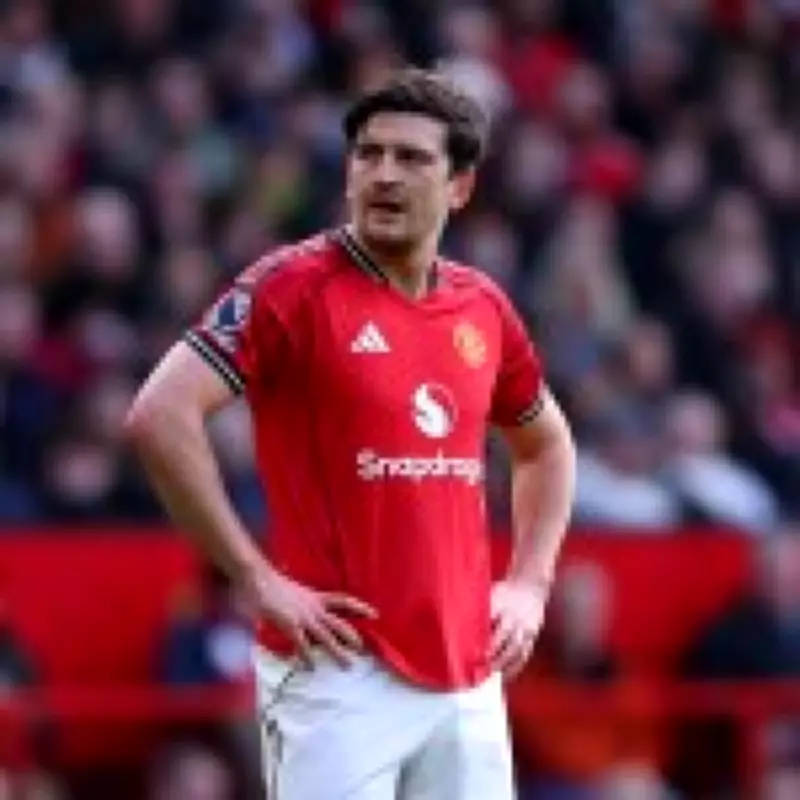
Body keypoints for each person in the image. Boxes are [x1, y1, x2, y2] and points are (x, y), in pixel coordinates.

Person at [125, 68, 576, 800]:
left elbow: (546, 445)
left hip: (467, 673)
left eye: (412, 158)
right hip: (336, 672)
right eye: (369, 154)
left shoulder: (482, 307)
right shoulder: (289, 287)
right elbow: (159, 414)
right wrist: (253, 577)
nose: (384, 174)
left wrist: (530, 583)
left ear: (460, 187)